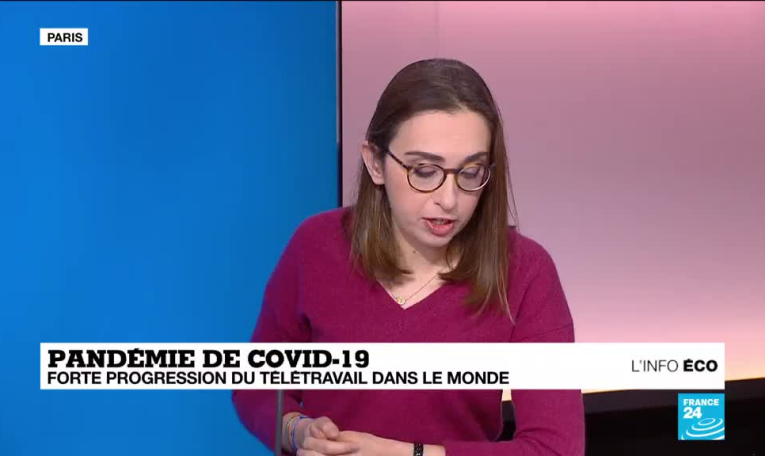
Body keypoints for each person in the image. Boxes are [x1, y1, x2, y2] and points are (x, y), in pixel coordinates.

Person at [232, 58, 585, 456]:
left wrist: (405, 453)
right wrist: (298, 431)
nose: (448, 199)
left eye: (470, 172)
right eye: (424, 170)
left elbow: (556, 448)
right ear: (375, 162)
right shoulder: (315, 245)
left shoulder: (526, 271)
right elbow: (256, 388)